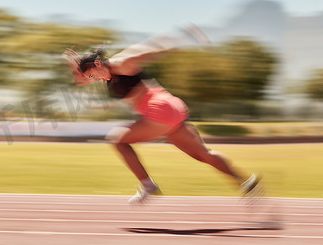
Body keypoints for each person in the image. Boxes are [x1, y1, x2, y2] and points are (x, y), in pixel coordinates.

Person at [62, 27, 262, 205]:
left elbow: (152, 48)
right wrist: (76, 68)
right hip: (170, 110)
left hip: (159, 108)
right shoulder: (105, 74)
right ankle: (246, 182)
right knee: (203, 154)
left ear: (98, 63)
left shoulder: (122, 63)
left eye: (92, 75)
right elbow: (81, 81)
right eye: (90, 78)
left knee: (117, 140)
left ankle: (148, 185)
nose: (93, 80)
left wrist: (184, 38)